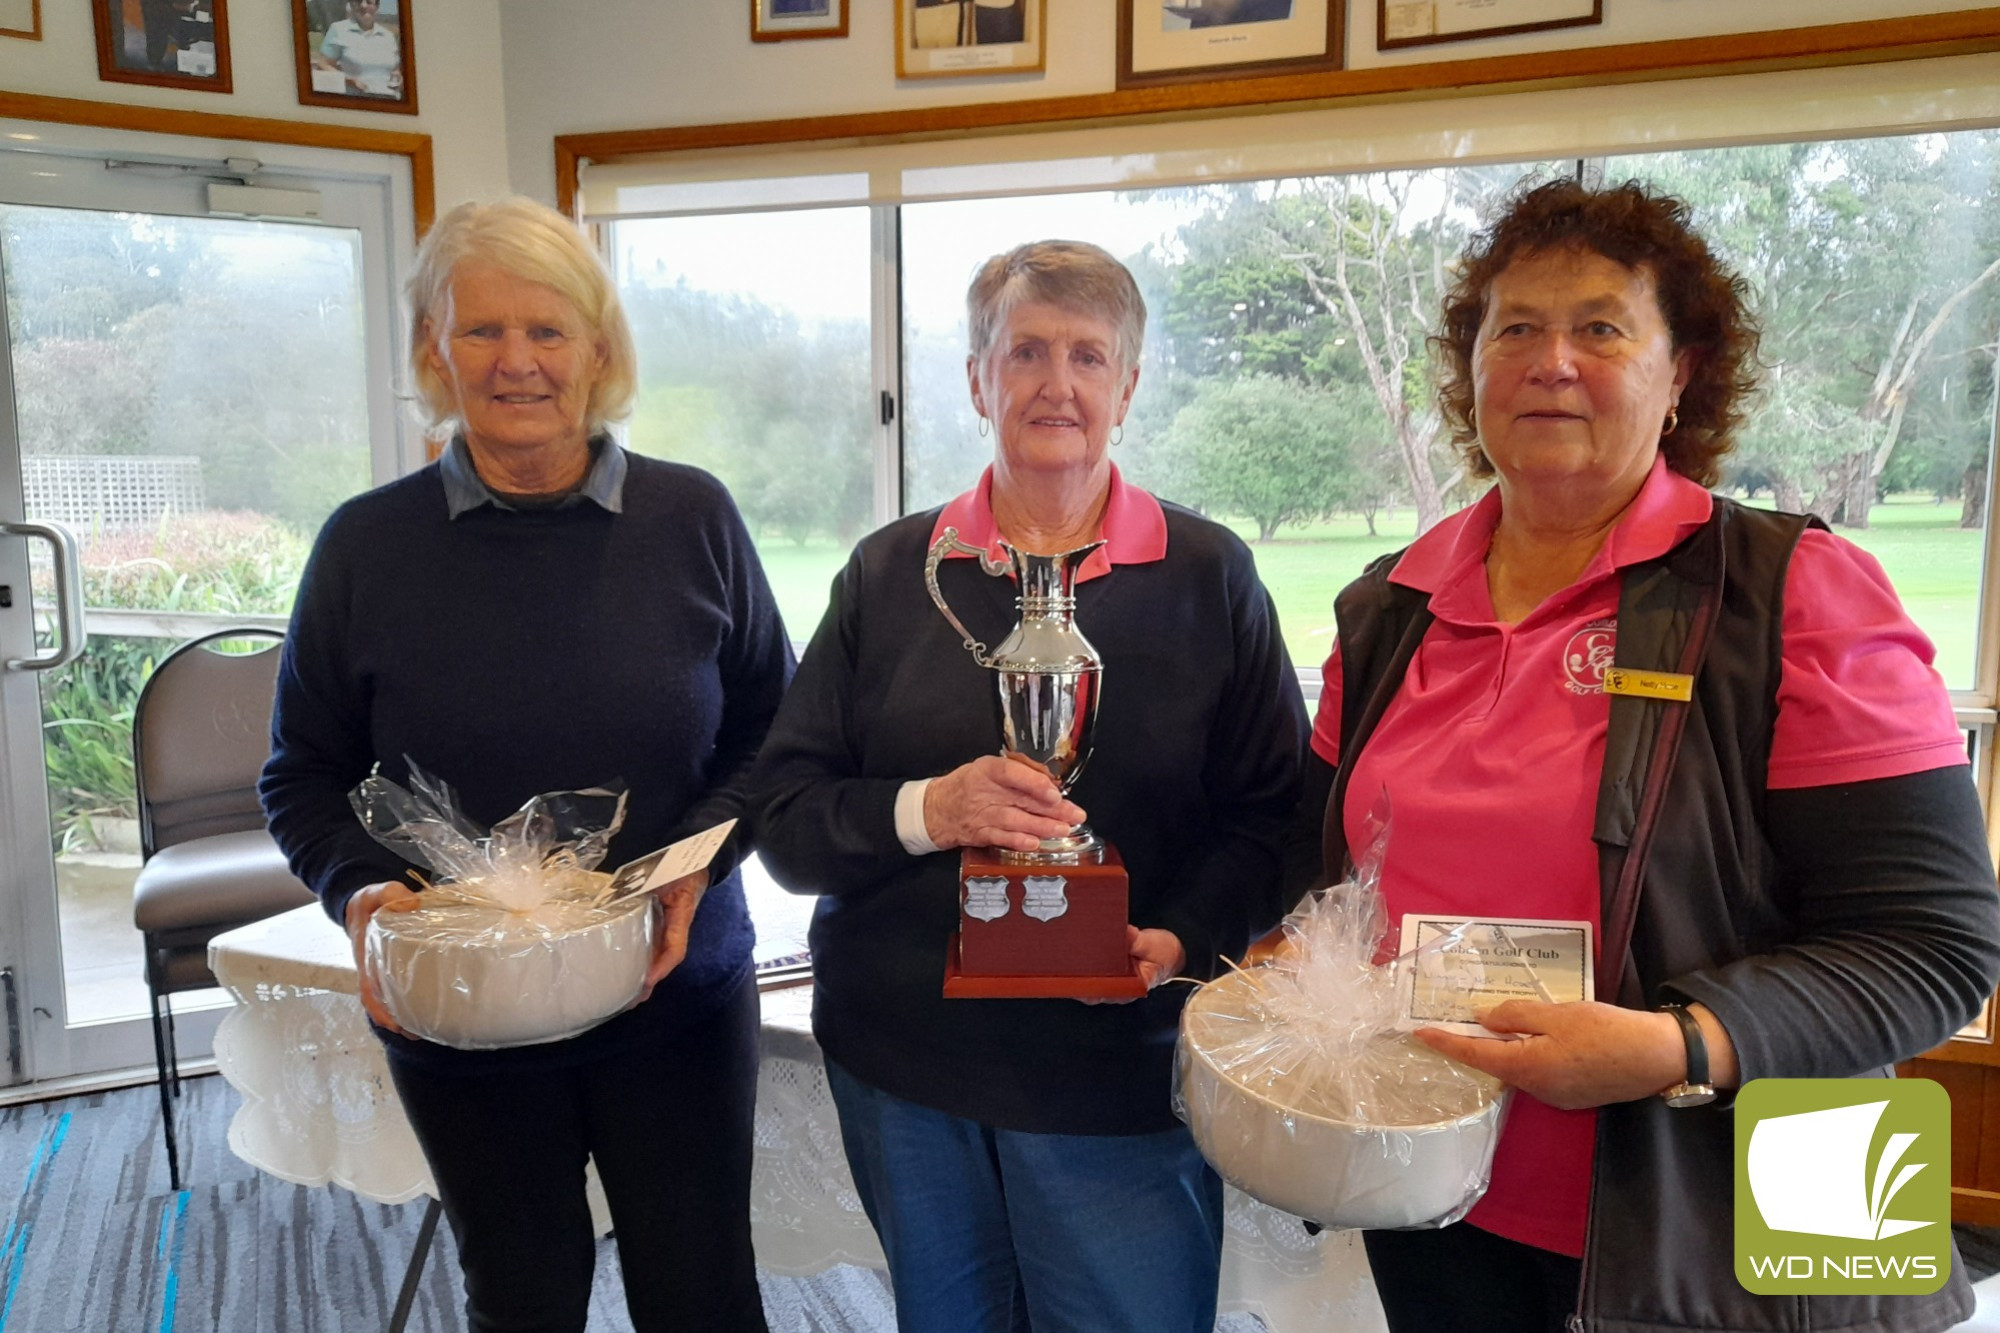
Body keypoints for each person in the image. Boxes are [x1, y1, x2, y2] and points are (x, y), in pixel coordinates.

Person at [1292, 176, 2000, 1332]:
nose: (1548, 358)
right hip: (1436, 1186)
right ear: (1467, 371)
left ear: (1680, 378)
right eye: (1511, 326)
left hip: (1757, 1193)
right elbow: (1321, 872)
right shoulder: (1386, 610)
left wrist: (1677, 1045)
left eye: (1600, 327)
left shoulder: (1793, 590)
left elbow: (1935, 949)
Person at [751, 239, 1308, 1333]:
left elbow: (1271, 817)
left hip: (1116, 1071)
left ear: (1127, 387)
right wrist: (931, 810)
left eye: (1089, 356)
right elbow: (783, 819)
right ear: (975, 379)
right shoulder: (885, 573)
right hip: (905, 1065)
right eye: (1026, 353)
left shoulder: (1209, 576)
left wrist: (1180, 938)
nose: (1057, 383)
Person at [260, 197, 790, 1333]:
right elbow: (299, 771)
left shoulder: (692, 518)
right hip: (462, 1001)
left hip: (674, 984)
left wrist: (693, 866)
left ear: (598, 348)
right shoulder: (364, 545)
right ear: (431, 351)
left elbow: (772, 735)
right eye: (479, 332)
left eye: (547, 331)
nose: (516, 364)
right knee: (522, 1289)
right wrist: (360, 892)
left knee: (700, 1289)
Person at [315, 0, 401, 98]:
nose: (363, 5)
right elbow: (323, 64)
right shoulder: (339, 30)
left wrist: (398, 78)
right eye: (358, 1)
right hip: (355, 100)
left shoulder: (388, 36)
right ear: (351, 5)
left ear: (376, 7)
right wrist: (348, 80)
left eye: (369, 2)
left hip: (389, 100)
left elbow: (395, 69)